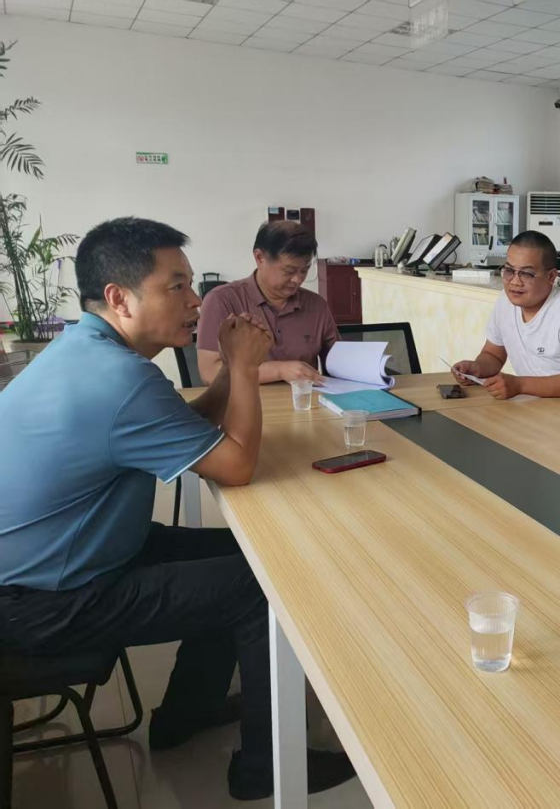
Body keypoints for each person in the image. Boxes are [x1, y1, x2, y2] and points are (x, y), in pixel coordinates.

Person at [0, 218, 355, 800]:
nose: (195, 301)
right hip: (44, 599)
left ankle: (186, 713)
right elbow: (237, 466)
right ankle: (265, 766)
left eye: (191, 284)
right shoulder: (120, 379)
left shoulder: (87, 351)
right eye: (177, 287)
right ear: (119, 298)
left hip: (67, 557)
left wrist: (231, 376)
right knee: (266, 584)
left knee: (249, 552)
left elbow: (179, 426)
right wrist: (245, 369)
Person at [452, 230, 560, 403]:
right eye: (509, 270)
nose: (515, 282)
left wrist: (519, 385)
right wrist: (476, 368)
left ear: (551, 277)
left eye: (526, 274)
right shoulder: (505, 301)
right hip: (536, 405)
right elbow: (493, 355)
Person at [197, 220, 338, 385]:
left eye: (304, 270)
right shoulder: (222, 300)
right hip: (245, 400)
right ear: (260, 258)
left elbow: (338, 362)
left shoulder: (316, 305)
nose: (298, 279)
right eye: (289, 271)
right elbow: (209, 372)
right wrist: (279, 370)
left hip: (304, 399)